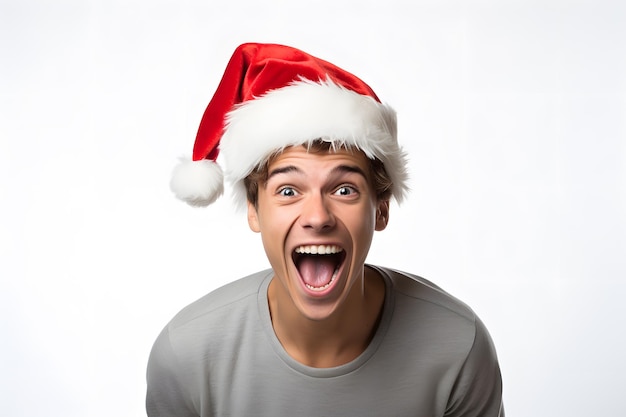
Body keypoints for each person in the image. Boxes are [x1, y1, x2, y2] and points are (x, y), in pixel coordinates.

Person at [147, 42, 504, 416]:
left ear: (381, 209)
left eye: (344, 189)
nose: (317, 216)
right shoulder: (186, 356)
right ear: (253, 210)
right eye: (288, 190)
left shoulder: (458, 348)